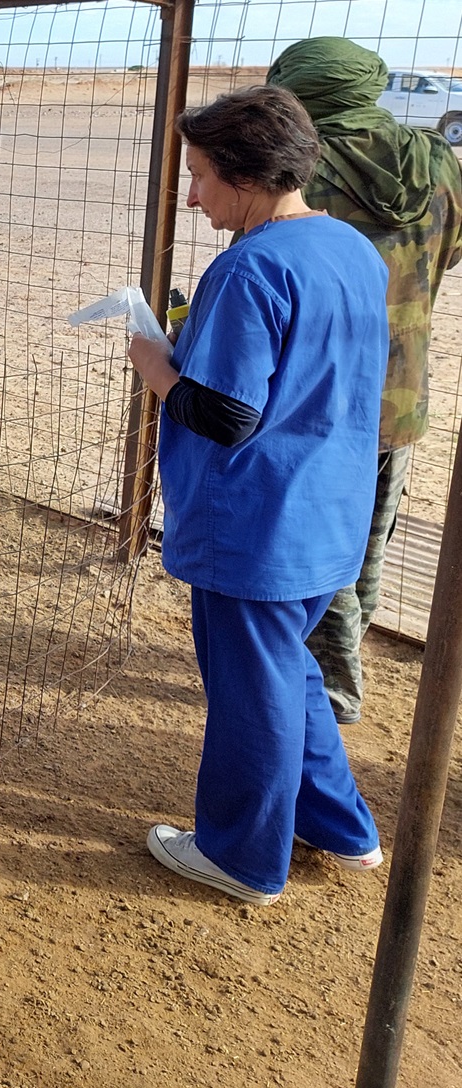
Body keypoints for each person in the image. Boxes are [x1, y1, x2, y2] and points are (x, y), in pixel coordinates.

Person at [127, 85, 388, 906]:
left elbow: (227, 415)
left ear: (244, 174)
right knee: (288, 670)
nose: (193, 196)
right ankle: (342, 827)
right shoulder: (350, 247)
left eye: (201, 175)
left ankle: (241, 857)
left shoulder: (250, 266)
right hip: (326, 513)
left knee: (252, 690)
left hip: (257, 526)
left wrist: (156, 367)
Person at [267, 38, 462, 725]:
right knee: (368, 543)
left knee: (319, 542)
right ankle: (339, 667)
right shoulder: (438, 162)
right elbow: (450, 251)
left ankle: (331, 689)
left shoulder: (296, 173)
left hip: (317, 399)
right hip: (402, 393)